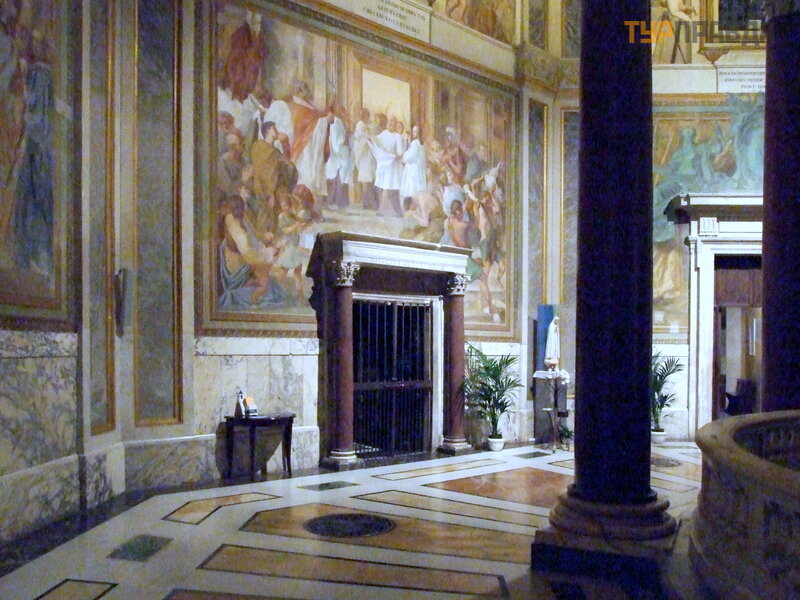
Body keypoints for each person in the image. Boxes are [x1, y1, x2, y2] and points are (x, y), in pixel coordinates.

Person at [351, 108, 377, 209]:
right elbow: (359, 138)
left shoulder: (371, 125)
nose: (362, 116)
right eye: (361, 114)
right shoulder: (360, 125)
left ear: (367, 115)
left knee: (370, 179)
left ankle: (368, 203)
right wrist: (366, 137)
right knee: (365, 179)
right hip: (363, 156)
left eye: (364, 114)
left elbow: (373, 137)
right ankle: (368, 203)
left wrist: (369, 136)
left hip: (369, 155)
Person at [400, 125, 426, 205]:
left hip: (413, 170)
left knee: (412, 188)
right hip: (417, 169)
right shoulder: (420, 144)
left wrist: (404, 156)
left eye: (415, 131)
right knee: (416, 188)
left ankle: (412, 205)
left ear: (418, 133)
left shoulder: (415, 143)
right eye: (413, 131)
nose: (413, 133)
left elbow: (410, 157)